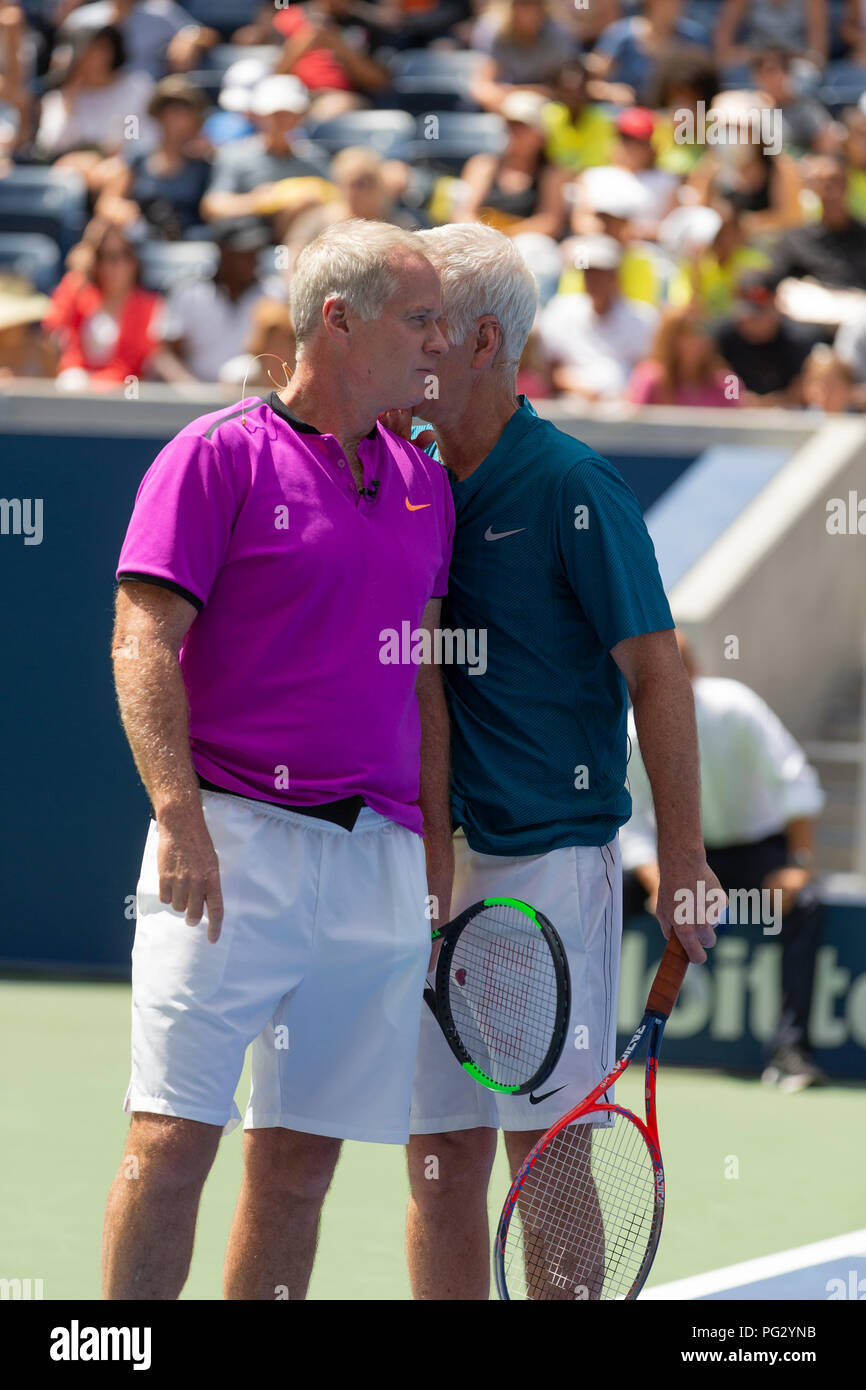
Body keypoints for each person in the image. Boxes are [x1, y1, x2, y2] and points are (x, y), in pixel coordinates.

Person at [104, 220, 453, 1301]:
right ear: (339, 321)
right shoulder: (213, 455)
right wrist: (181, 816)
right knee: (171, 1144)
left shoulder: (424, 484)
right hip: (228, 842)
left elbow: (424, 682)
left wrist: (430, 850)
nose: (441, 343)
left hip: (379, 861)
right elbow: (141, 642)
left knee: (301, 1162)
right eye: (420, 319)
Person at [390, 221, 723, 1302]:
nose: (410, 339)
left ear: (482, 340)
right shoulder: (411, 476)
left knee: (549, 1157)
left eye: (427, 322)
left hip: (545, 871)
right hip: (425, 871)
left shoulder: (574, 485)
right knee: (437, 1161)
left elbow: (657, 674)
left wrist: (683, 860)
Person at [620, 631, 826, 1092]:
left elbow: (798, 783)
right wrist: (657, 878)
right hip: (681, 854)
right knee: (608, 895)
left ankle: (793, 1052)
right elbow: (629, 819)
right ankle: (586, 1041)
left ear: (690, 671)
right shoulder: (633, 730)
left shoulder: (737, 707)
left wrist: (798, 864)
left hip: (756, 852)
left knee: (805, 903)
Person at [151, 217, 281, 384]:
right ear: (223, 252)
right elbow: (165, 354)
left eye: (256, 251)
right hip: (194, 402)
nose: (253, 260)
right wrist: (193, 393)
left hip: (254, 401)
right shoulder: (188, 292)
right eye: (244, 252)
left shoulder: (275, 294)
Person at [42, 218, 161, 389]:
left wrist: (97, 385)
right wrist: (78, 275)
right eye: (105, 256)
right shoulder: (79, 291)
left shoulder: (147, 305)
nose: (116, 265)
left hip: (125, 391)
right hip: (79, 385)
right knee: (71, 382)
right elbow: (53, 328)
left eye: (124, 254)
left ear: (135, 260)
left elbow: (131, 366)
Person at [538, 233, 658, 401]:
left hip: (627, 408)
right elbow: (550, 369)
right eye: (588, 273)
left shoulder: (643, 317)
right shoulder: (560, 310)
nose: (593, 280)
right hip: (572, 406)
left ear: (615, 276)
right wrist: (581, 390)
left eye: (600, 273)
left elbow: (648, 370)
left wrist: (628, 396)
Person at [201, 74, 330, 229]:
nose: (283, 121)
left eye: (289, 114)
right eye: (276, 114)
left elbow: (338, 202)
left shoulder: (314, 157)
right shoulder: (235, 155)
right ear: (258, 115)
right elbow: (212, 207)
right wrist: (259, 202)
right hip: (251, 239)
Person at [96, 74, 211, 239]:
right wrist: (123, 212)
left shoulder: (205, 164)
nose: (175, 118)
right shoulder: (137, 158)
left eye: (184, 111)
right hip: (142, 244)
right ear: (158, 114)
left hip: (191, 248)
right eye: (169, 110)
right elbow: (109, 202)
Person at [34, 23, 156, 167]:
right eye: (87, 50)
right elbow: (51, 145)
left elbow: (140, 134)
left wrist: (119, 156)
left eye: (103, 49)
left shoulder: (136, 87)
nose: (97, 57)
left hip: (124, 167)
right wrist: (69, 99)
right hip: (73, 173)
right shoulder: (58, 99)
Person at [453, 88, 568, 240]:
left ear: (540, 135)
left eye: (523, 127)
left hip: (525, 246)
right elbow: (462, 213)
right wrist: (490, 239)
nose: (515, 132)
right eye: (510, 125)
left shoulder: (552, 173)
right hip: (481, 242)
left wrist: (506, 236)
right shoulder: (483, 165)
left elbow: (549, 223)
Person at [714, 270, 821, 406]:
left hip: (787, 418)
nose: (749, 321)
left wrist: (768, 403)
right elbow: (724, 376)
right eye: (745, 315)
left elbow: (802, 390)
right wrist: (739, 397)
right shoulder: (725, 338)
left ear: (775, 306)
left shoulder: (798, 339)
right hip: (736, 416)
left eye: (757, 315)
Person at [769, 153, 866, 290]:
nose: (829, 191)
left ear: (847, 185)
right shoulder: (795, 241)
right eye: (821, 183)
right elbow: (773, 282)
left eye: (835, 181)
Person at [469, 0, 581, 114]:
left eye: (535, 4)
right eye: (523, 3)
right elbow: (482, 88)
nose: (530, 11)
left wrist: (526, 93)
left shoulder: (559, 34)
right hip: (504, 107)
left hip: (551, 109)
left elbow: (568, 88)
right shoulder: (492, 30)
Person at [626, 305, 742, 407]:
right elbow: (635, 426)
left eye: (703, 330)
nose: (698, 340)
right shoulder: (649, 379)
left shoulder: (729, 382)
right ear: (669, 340)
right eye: (687, 334)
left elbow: (737, 424)